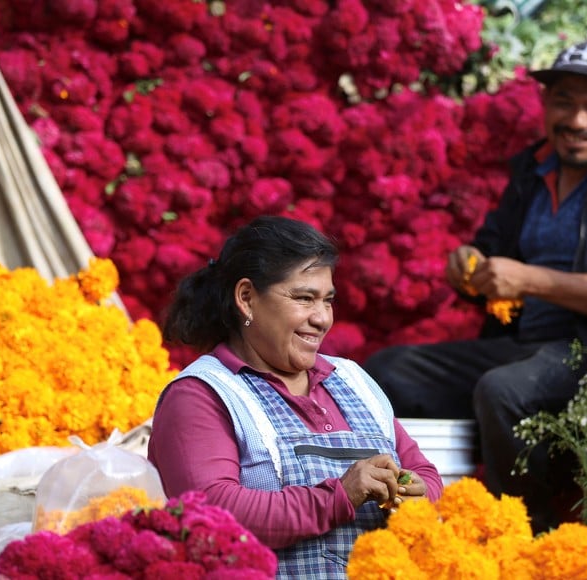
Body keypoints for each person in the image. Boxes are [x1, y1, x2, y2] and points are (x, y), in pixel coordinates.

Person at [364, 40, 587, 534]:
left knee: (504, 392)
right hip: (523, 345)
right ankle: (402, 527)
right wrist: (468, 265)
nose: (577, 120)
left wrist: (529, 280)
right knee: (385, 374)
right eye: (564, 101)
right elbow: (491, 245)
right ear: (544, 105)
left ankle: (524, 538)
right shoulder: (534, 170)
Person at [148, 216, 443, 578]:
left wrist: (416, 494)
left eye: (328, 301)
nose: (321, 319)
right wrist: (338, 497)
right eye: (304, 298)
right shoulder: (201, 395)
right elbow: (212, 511)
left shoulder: (353, 380)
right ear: (246, 298)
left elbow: (424, 473)